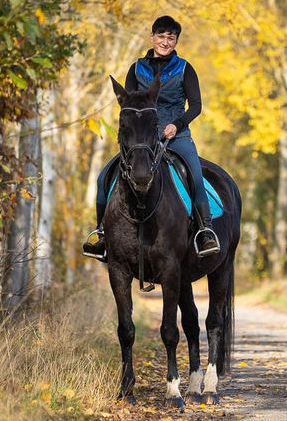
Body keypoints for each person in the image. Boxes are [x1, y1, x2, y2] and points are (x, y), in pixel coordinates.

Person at [83, 15, 219, 261]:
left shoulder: (185, 69)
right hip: (142, 140)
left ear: (176, 40)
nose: (165, 42)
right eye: (161, 36)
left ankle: (205, 231)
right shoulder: (136, 69)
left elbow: (196, 106)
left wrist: (176, 125)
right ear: (152, 37)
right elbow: (129, 105)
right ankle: (101, 232)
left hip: (176, 136)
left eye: (171, 38)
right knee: (105, 176)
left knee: (195, 175)